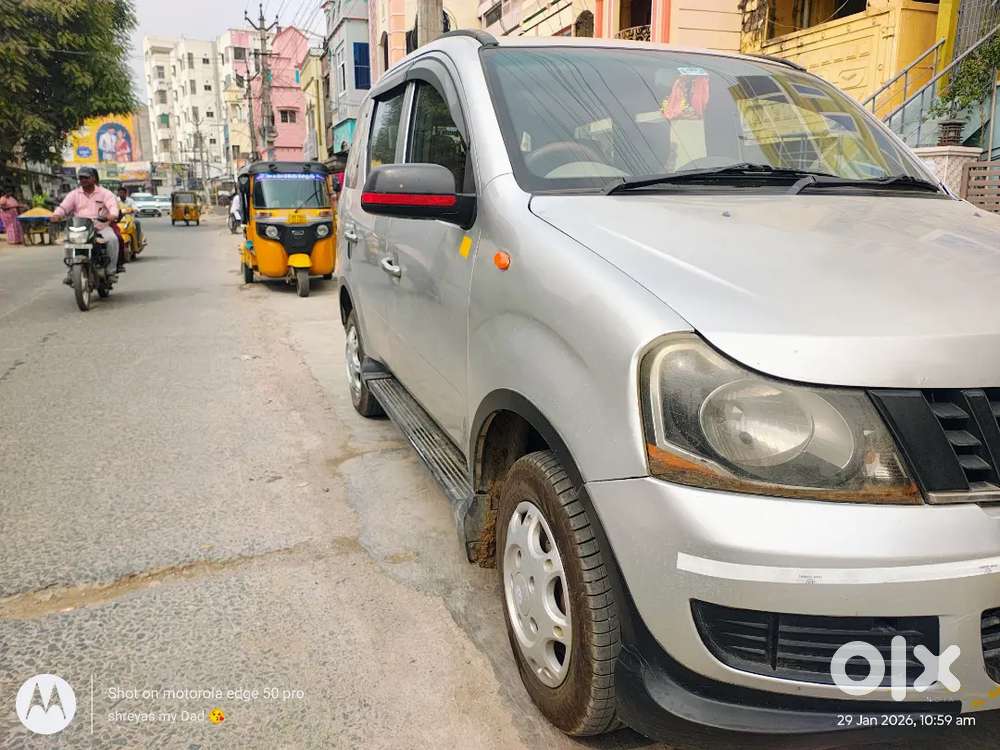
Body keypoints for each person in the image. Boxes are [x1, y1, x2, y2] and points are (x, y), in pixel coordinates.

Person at [49, 167, 122, 280]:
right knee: (68, 242)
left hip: (100, 227)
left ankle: (110, 271)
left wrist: (112, 215)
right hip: (79, 228)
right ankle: (71, 271)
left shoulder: (105, 193)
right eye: (81, 178)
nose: (83, 180)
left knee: (112, 240)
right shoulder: (74, 194)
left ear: (94, 179)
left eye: (86, 177)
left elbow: (113, 206)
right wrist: (56, 215)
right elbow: (64, 207)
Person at [116, 186, 144, 251]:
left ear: (126, 194)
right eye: (120, 193)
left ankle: (138, 241)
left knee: (137, 222)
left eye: (122, 193)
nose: (121, 194)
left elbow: (135, 208)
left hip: (129, 219)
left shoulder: (130, 200)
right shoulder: (115, 200)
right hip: (118, 219)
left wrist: (134, 210)